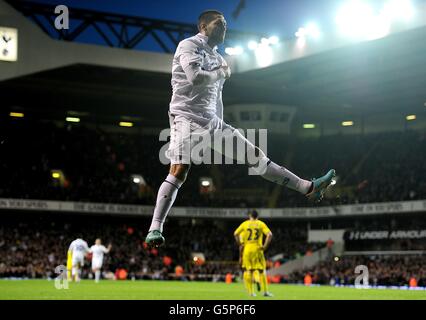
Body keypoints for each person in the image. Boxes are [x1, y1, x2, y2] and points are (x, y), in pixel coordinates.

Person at [145, 10, 335, 247]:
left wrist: (222, 128)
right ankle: (155, 228)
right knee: (180, 170)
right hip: (185, 116)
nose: (224, 26)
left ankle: (308, 187)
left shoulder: (220, 59)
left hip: (213, 121)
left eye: (226, 23)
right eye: (219, 22)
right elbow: (194, 77)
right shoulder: (189, 45)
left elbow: (217, 99)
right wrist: (219, 74)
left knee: (256, 155)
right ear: (204, 25)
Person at [234, 210, 273, 297]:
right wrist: (265, 246)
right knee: (261, 270)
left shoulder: (245, 224)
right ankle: (265, 292)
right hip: (258, 249)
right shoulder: (260, 224)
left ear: (250, 216)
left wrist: (240, 244)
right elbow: (269, 235)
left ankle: (251, 293)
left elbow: (235, 234)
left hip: (247, 249)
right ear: (257, 216)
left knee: (248, 270)